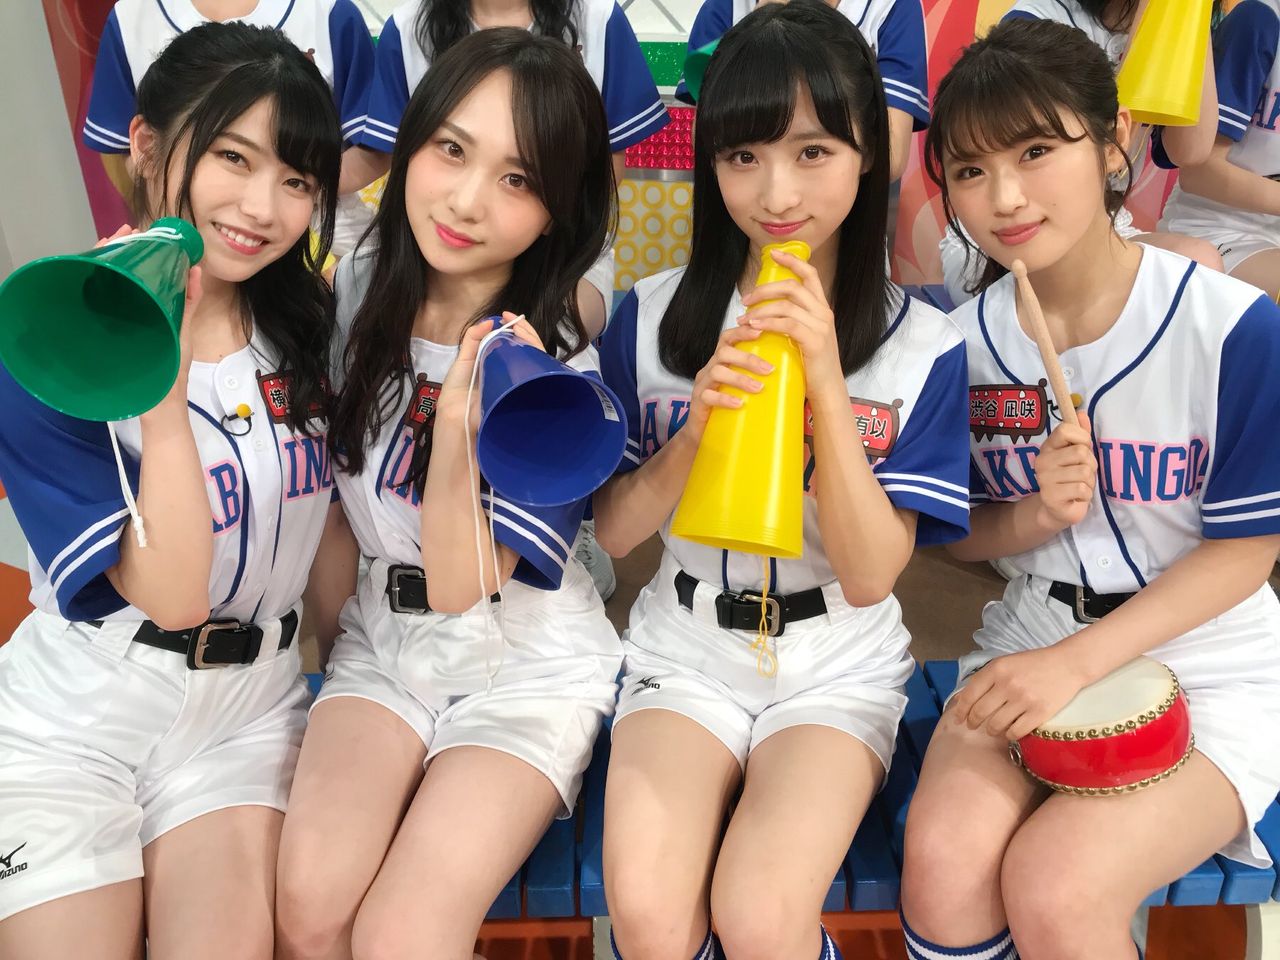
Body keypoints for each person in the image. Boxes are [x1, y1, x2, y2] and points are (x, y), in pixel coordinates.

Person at [595, 4, 970, 958]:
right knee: (646, 914)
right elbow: (614, 535)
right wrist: (694, 434)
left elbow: (874, 575)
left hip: (835, 662)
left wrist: (827, 383)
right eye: (743, 156)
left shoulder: (926, 345)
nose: (776, 192)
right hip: (685, 646)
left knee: (761, 916)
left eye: (813, 152)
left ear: (866, 155)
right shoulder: (649, 319)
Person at [901, 19, 1280, 960]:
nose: (1005, 197)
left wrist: (1076, 665)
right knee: (944, 868)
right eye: (971, 169)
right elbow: (952, 534)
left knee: (1057, 886)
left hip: (1208, 660)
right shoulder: (956, 346)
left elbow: (1246, 553)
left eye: (1037, 151)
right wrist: (1030, 515)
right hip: (1032, 633)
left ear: (1114, 142)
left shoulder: (1232, 325)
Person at [0, 22, 349, 959]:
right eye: (232, 157)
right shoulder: (52, 334)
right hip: (78, 722)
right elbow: (172, 594)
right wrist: (161, 398)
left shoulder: (311, 327)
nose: (261, 207)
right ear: (147, 146)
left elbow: (328, 532)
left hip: (246, 717)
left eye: (296, 179)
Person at [273, 28, 624, 960]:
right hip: (384, 645)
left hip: (523, 666)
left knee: (401, 933)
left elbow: (465, 582)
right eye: (451, 150)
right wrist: (333, 660)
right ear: (411, 141)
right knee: (307, 910)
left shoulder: (554, 367)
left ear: (557, 212)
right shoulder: (351, 296)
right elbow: (333, 515)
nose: (467, 201)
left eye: (518, 179)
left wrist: (462, 427)